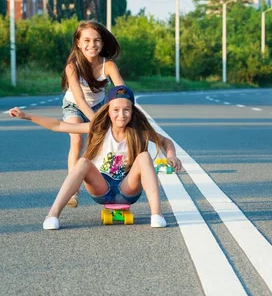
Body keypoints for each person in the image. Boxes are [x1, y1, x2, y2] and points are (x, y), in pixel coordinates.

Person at [9, 85, 182, 230]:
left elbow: (166, 142)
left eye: (126, 110)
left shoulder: (139, 132)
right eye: (116, 110)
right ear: (107, 110)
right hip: (102, 188)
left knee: (144, 156)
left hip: (127, 188)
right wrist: (27, 116)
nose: (121, 114)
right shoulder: (98, 128)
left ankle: (157, 214)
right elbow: (59, 125)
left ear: (132, 111)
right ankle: (52, 215)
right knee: (83, 161)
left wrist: (172, 156)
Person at [61, 20, 125, 208]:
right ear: (78, 43)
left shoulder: (109, 65)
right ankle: (73, 191)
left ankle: (108, 184)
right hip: (74, 105)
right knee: (77, 140)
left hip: (98, 105)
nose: (92, 45)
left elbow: (121, 91)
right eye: (87, 40)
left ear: (103, 43)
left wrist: (125, 111)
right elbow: (80, 100)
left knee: (101, 144)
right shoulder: (73, 66)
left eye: (97, 40)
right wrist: (98, 121)